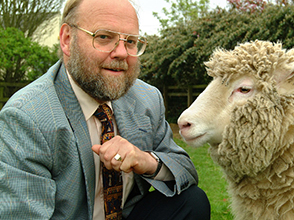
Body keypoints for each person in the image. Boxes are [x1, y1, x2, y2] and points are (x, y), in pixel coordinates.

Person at [0, 0, 211, 219]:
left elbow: (185, 171)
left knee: (192, 201)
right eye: (103, 37)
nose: (121, 52)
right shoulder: (27, 117)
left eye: (130, 41)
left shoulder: (147, 99)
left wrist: (145, 160)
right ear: (67, 39)